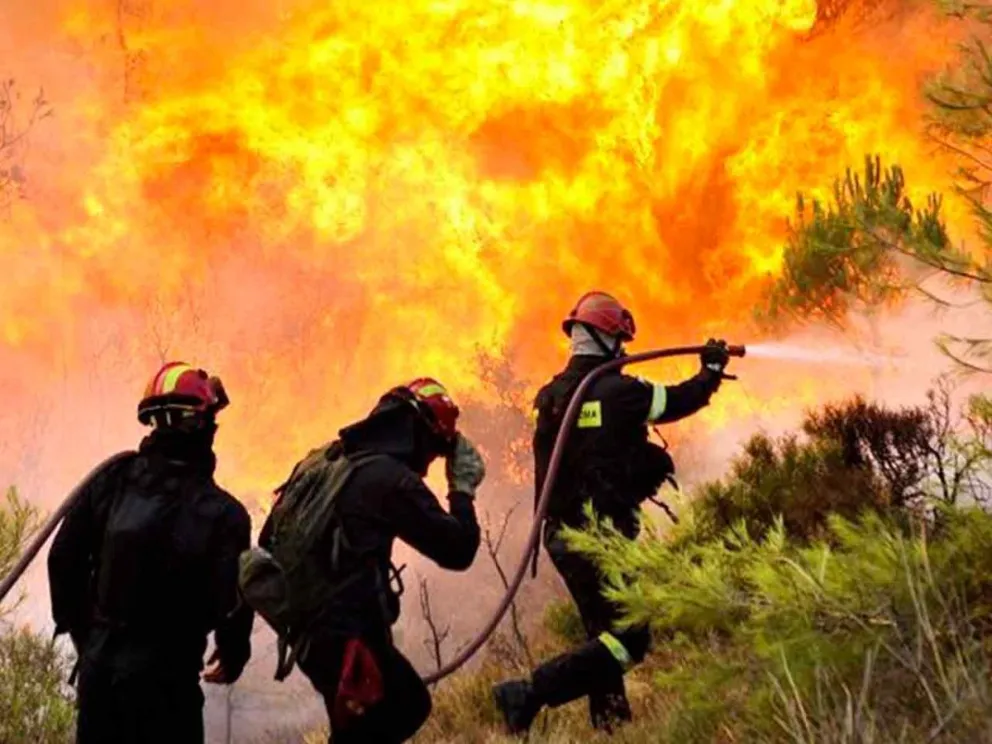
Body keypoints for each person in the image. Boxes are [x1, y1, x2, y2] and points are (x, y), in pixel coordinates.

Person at [492, 291, 734, 735]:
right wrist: (711, 371)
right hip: (600, 538)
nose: (623, 351)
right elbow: (678, 401)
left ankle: (612, 726)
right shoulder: (620, 393)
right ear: (605, 338)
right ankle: (528, 692)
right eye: (619, 341)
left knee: (603, 634)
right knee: (630, 638)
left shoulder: (551, 396)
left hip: (562, 539)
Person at [255, 377, 486, 744]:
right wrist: (462, 488)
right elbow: (457, 550)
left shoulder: (325, 459)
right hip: (349, 640)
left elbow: (267, 539)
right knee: (405, 706)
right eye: (435, 450)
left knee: (361, 727)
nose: (429, 461)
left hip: (310, 635)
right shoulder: (388, 479)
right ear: (419, 434)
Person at [47, 361, 254, 744]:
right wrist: (234, 651)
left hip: (100, 682)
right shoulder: (224, 514)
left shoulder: (111, 481)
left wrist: (91, 641)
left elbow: (63, 560)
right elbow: (234, 600)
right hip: (166, 687)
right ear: (201, 426)